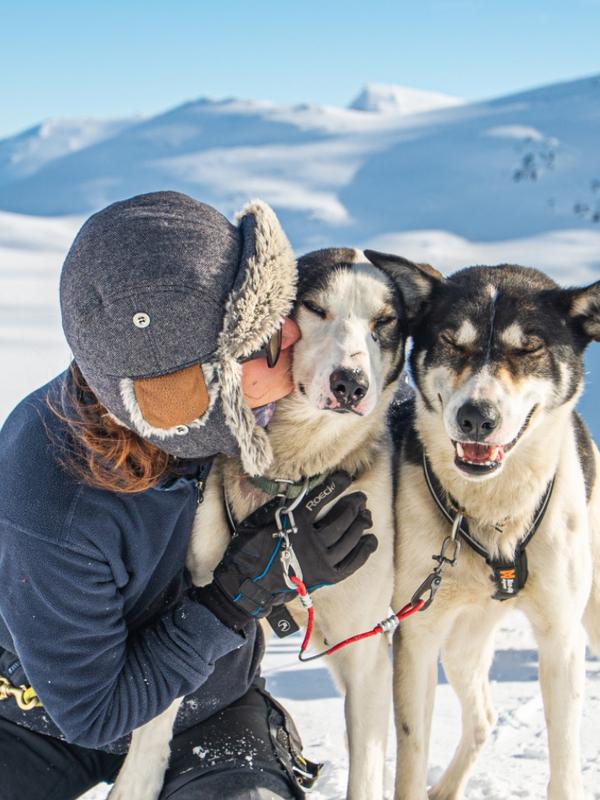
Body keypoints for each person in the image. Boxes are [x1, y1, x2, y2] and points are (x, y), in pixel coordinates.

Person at [0, 192, 377, 800]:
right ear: (191, 395)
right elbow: (95, 711)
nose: (292, 337)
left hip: (210, 705)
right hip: (35, 719)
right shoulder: (52, 506)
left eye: (282, 313)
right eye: (259, 346)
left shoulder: (233, 415)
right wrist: (235, 600)